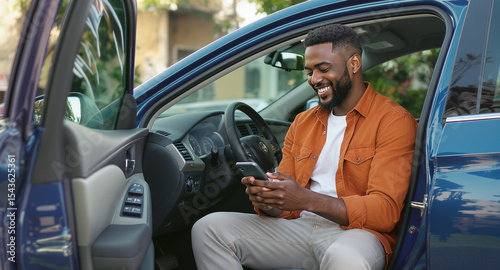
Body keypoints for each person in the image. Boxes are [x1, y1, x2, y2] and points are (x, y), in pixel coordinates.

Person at [191, 23, 418, 270]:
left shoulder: (393, 121)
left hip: (358, 234)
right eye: (309, 71)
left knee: (346, 257)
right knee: (209, 229)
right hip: (299, 229)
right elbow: (288, 207)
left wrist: (307, 199)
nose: (314, 79)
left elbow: (384, 213)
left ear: (354, 64)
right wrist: (270, 200)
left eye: (323, 69)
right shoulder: (302, 122)